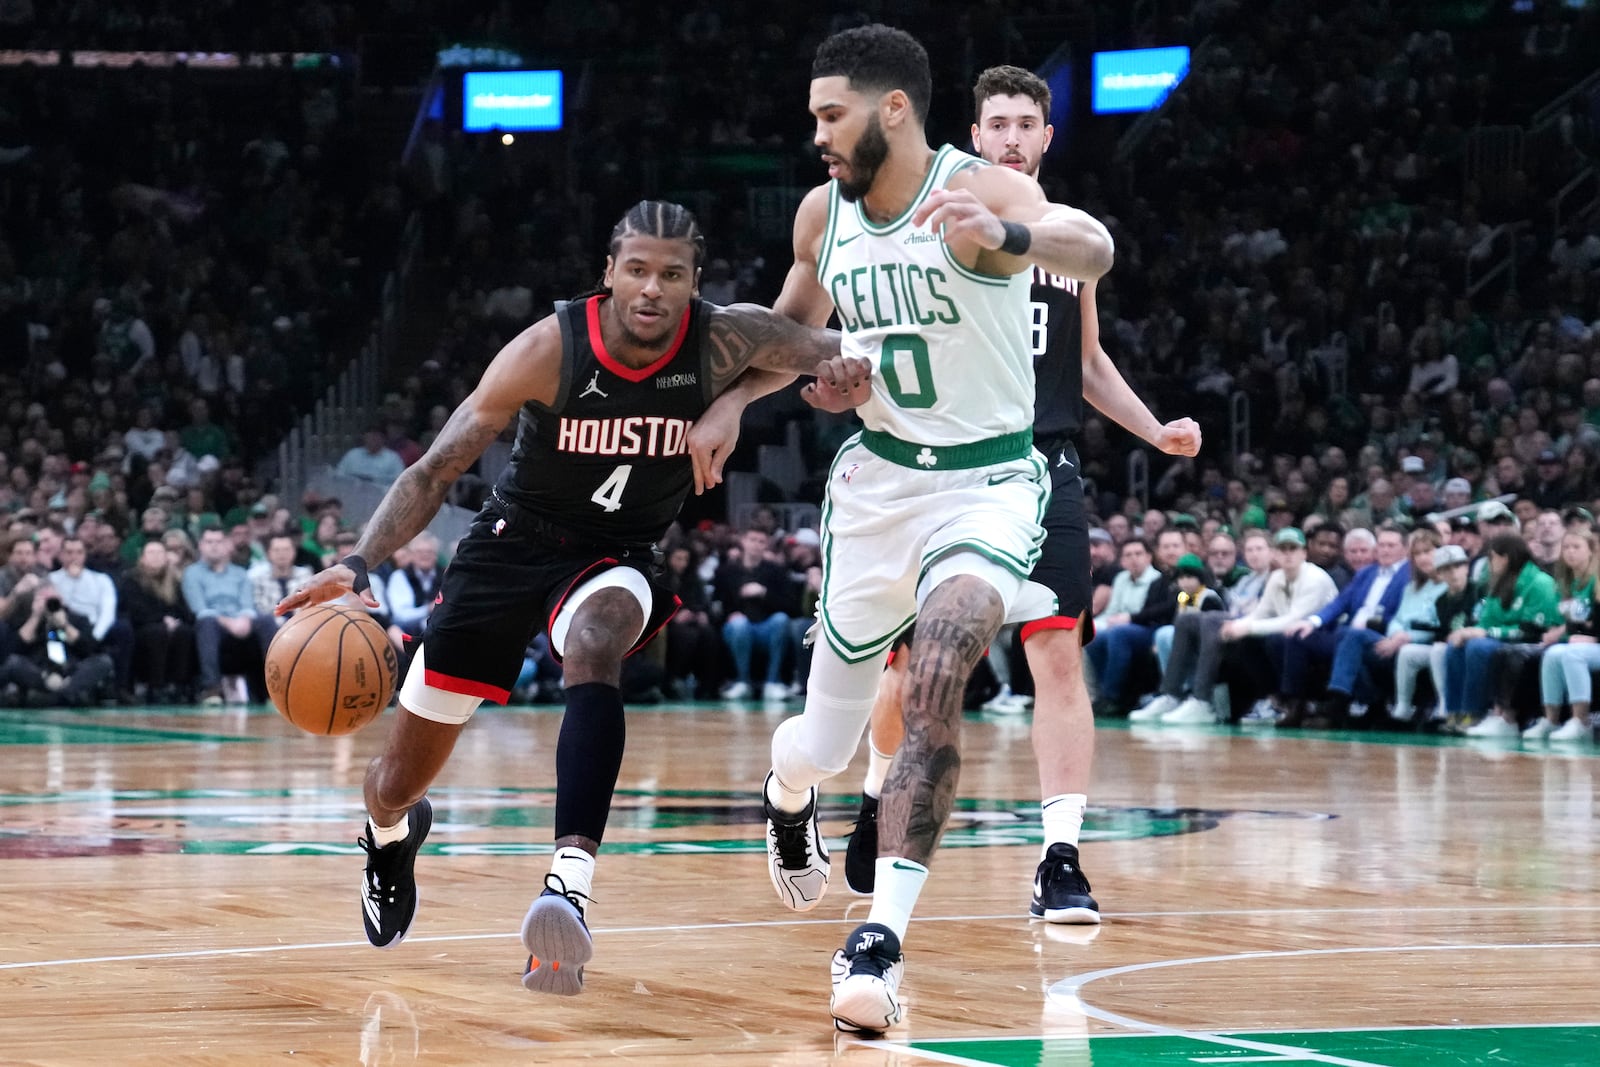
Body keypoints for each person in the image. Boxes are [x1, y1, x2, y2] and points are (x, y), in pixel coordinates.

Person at [705, 31, 1196, 1033]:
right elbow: (791, 330)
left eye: (828, 115)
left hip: (992, 485)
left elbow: (1092, 247)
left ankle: (878, 939)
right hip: (879, 490)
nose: (815, 136)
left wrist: (1008, 237)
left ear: (892, 111)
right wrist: (748, 399)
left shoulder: (988, 191)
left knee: (942, 664)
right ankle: (787, 785)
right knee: (827, 741)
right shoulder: (822, 214)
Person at [273, 201, 857, 997]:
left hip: (618, 557)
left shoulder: (725, 336)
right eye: (638, 270)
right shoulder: (550, 348)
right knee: (393, 782)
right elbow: (434, 470)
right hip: (511, 545)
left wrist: (739, 399)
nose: (654, 288)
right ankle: (389, 835)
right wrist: (359, 562)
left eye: (673, 274)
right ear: (608, 271)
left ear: (696, 281)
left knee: (594, 642)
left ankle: (568, 881)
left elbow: (828, 346)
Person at [183, 526, 278, 705]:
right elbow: (200, 608)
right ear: (201, 546)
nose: (214, 546)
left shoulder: (240, 574)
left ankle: (276, 688)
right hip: (214, 624)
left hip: (241, 622)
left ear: (227, 545)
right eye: (209, 542)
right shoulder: (192, 573)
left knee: (266, 620)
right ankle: (212, 689)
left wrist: (243, 620)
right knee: (206, 622)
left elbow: (248, 605)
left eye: (219, 542)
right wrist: (230, 623)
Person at [0, 583, 114, 707]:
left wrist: (65, 625)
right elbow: (14, 649)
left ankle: (63, 694)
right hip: (40, 672)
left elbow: (88, 648)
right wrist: (35, 617)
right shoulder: (27, 619)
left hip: (71, 671)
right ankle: (62, 696)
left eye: (53, 600)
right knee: (13, 663)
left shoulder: (77, 619)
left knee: (104, 661)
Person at [119, 540, 198, 702]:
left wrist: (174, 620)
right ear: (142, 558)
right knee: (158, 632)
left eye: (160, 553)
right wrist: (162, 619)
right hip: (143, 627)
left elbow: (184, 609)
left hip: (172, 624)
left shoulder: (175, 581)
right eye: (151, 553)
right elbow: (134, 610)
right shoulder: (131, 579)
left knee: (185, 632)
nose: (156, 557)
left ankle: (180, 686)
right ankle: (156, 686)